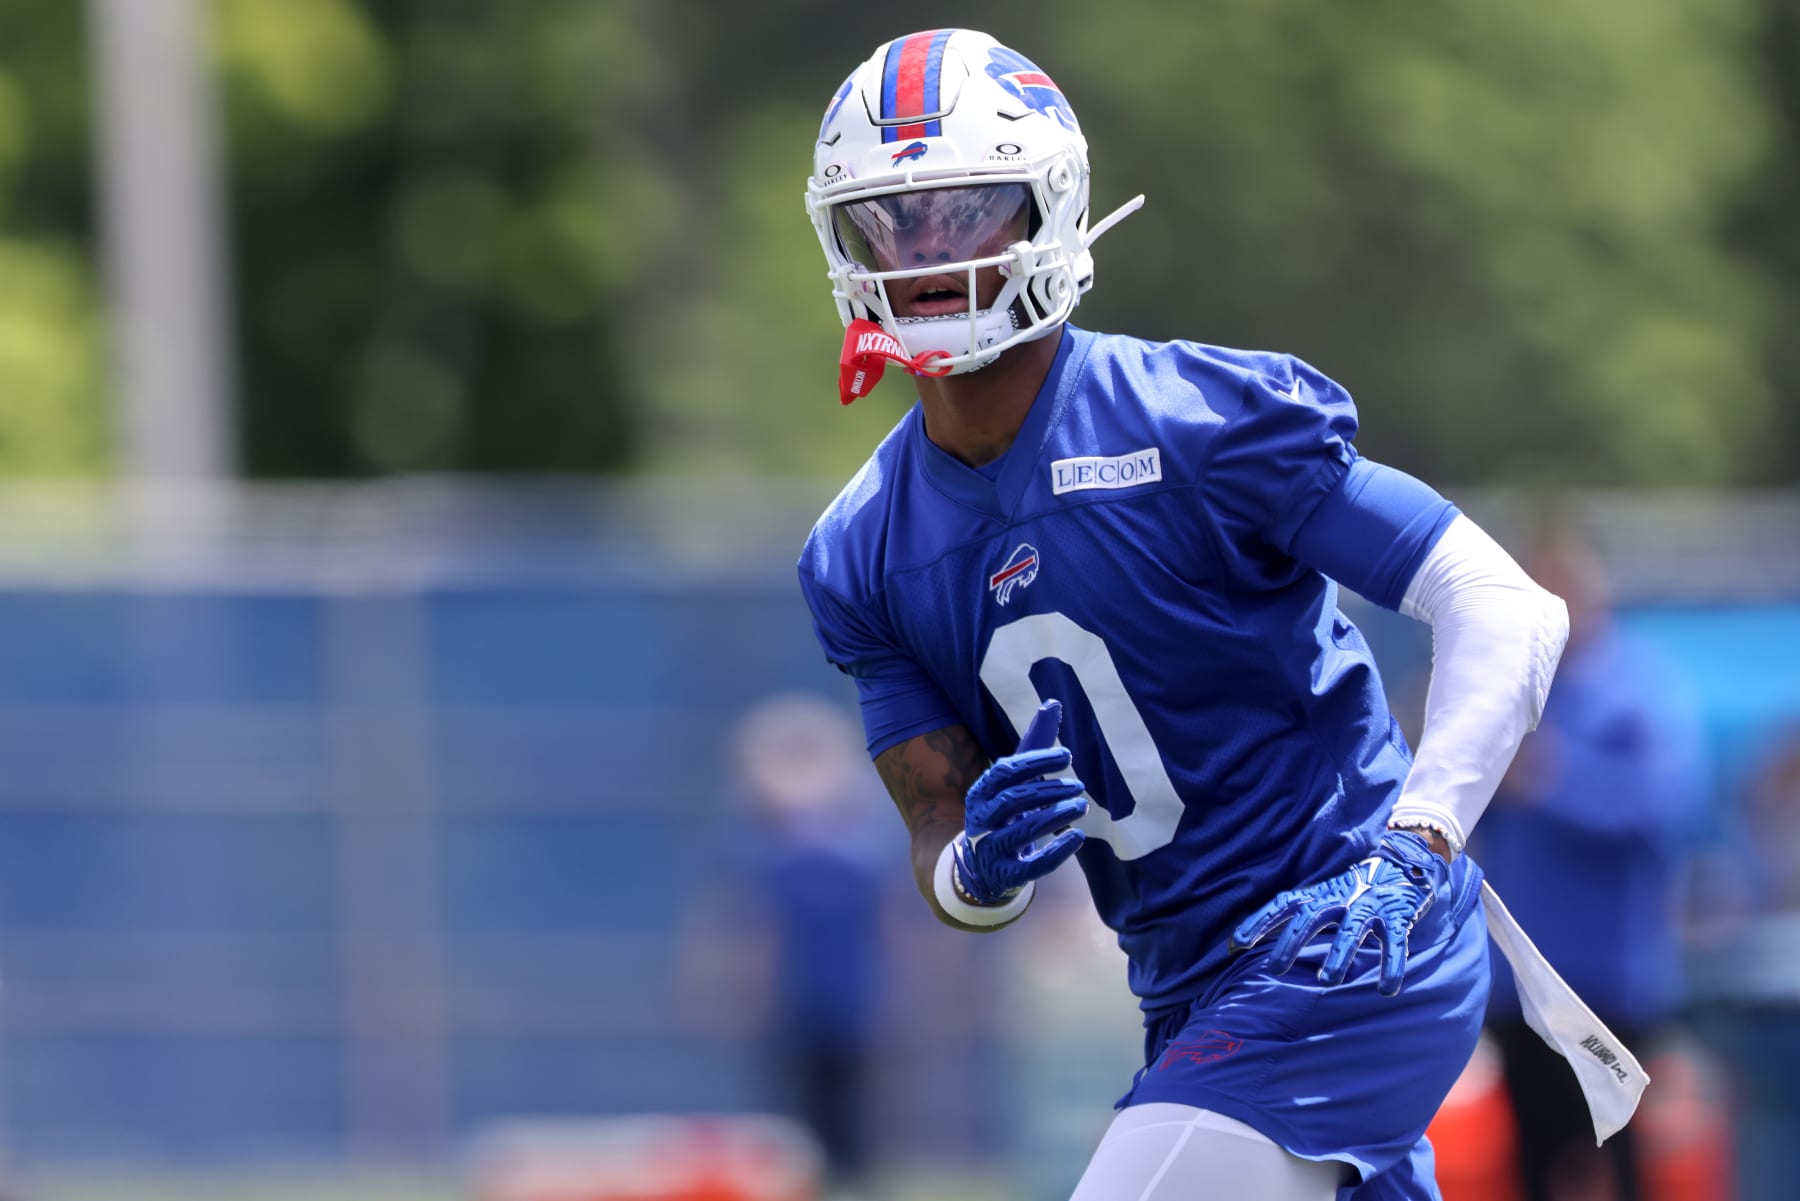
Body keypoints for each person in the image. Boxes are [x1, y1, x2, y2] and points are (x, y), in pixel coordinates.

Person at [793, 29, 1639, 1200]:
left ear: (1048, 211)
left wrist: (1420, 840)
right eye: (895, 219)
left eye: (967, 210)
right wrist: (980, 868)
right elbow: (937, 828)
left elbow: (1504, 603)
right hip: (1185, 989)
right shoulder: (860, 548)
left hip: (1350, 934)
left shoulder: (1191, 417)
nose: (928, 254)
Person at [1471, 523, 1708, 1201]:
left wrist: (1552, 780)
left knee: (1623, 1163)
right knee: (1532, 1162)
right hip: (1523, 987)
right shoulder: (1509, 690)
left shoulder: (1640, 689)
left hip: (1610, 986)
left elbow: (1661, 807)